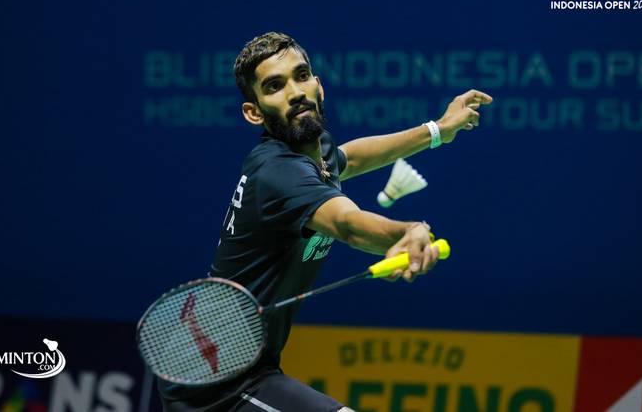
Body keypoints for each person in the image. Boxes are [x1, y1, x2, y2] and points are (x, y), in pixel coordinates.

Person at [158, 32, 493, 411]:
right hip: (215, 381)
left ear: (319, 85)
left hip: (242, 363)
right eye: (274, 86)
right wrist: (407, 230)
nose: (295, 91)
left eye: (302, 76)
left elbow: (352, 158)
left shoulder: (311, 154)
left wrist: (437, 132)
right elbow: (347, 223)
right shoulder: (278, 173)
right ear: (254, 112)